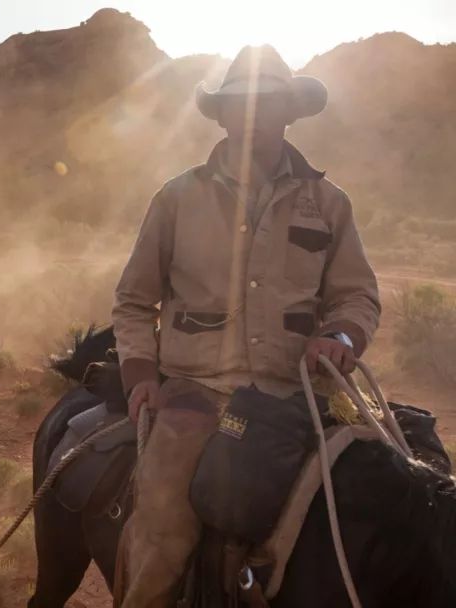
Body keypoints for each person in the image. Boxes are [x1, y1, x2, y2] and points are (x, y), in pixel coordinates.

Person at [111, 45, 381, 607]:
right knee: (166, 538)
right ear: (224, 115)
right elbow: (135, 301)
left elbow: (356, 295)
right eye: (243, 104)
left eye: (271, 103)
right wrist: (140, 372)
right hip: (197, 393)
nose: (256, 115)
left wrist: (342, 337)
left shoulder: (328, 203)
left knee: (393, 495)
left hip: (299, 395)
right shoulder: (178, 198)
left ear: (289, 112)